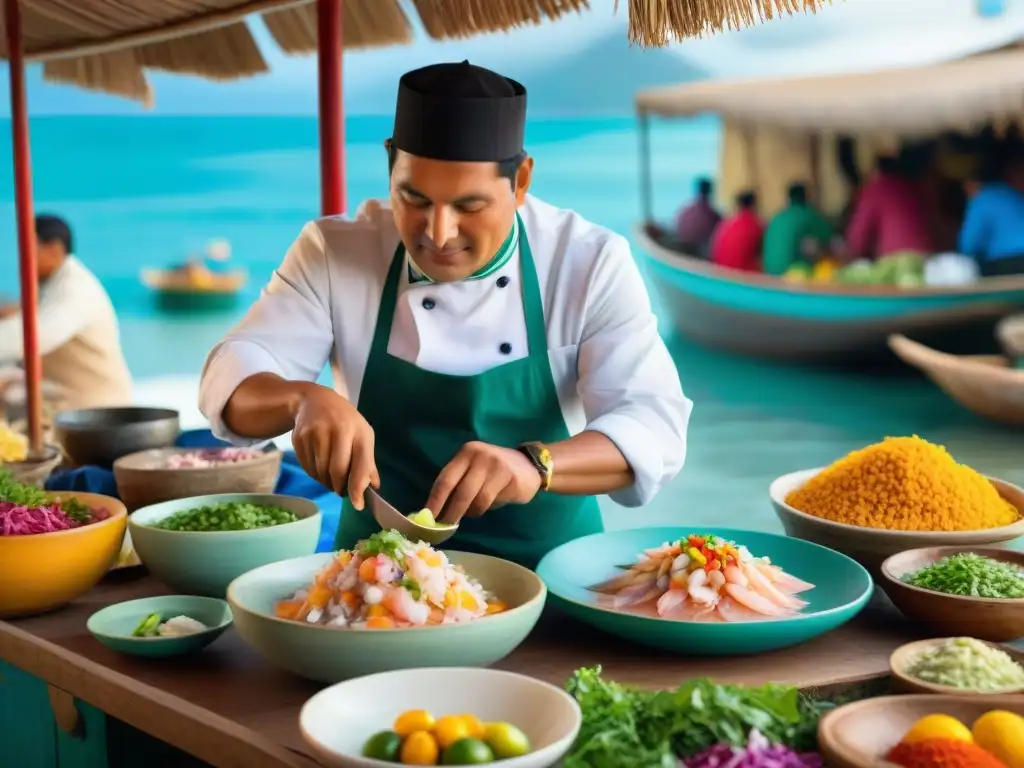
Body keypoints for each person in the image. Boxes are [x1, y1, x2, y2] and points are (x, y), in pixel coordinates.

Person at [198, 61, 692, 568]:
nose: (437, 232)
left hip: (553, 577)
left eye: (469, 206)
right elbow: (232, 375)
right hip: (370, 579)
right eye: (413, 199)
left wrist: (536, 464)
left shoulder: (586, 260)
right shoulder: (333, 251)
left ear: (520, 181)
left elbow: (653, 425)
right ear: (390, 165)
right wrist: (300, 399)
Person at [0, 214, 132, 409]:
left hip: (95, 413)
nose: (21, 257)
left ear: (54, 251)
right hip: (64, 401)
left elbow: (27, 337)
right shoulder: (55, 282)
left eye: (29, 248)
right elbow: (29, 315)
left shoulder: (73, 291)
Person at [844, 155, 933, 260]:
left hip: (895, 261)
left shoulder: (875, 189)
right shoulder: (914, 187)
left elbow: (857, 240)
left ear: (877, 170)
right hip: (925, 258)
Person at [957, 147, 1024, 277]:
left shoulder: (982, 198)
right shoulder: (1013, 193)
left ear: (972, 183)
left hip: (1010, 262)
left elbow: (968, 246)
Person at [761, 183, 834, 276]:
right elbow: (829, 237)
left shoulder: (777, 217)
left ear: (789, 199)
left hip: (768, 273)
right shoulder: (808, 214)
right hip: (791, 274)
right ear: (807, 197)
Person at [709, 191, 763, 273]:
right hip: (742, 276)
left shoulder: (726, 222)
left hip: (720, 272)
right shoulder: (756, 224)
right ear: (754, 205)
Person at [674, 177, 721, 257]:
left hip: (682, 252)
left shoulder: (685, 212)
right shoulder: (712, 215)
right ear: (711, 191)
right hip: (699, 255)